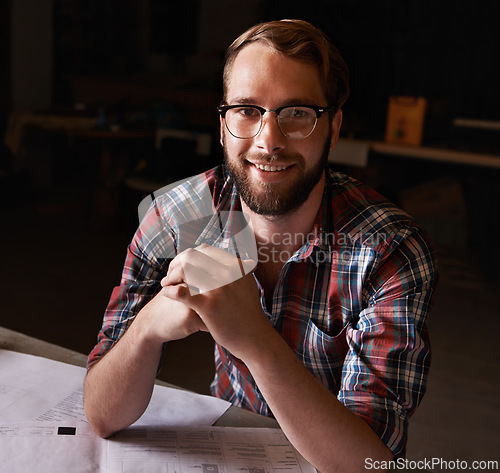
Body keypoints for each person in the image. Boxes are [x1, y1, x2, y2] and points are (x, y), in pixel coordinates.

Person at [84, 19, 437, 472]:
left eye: (296, 114)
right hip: (229, 452)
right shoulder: (174, 218)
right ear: (223, 123)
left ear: (333, 128)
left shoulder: (390, 252)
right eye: (248, 110)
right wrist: (150, 324)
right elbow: (101, 414)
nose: (268, 141)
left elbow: (368, 466)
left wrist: (254, 339)